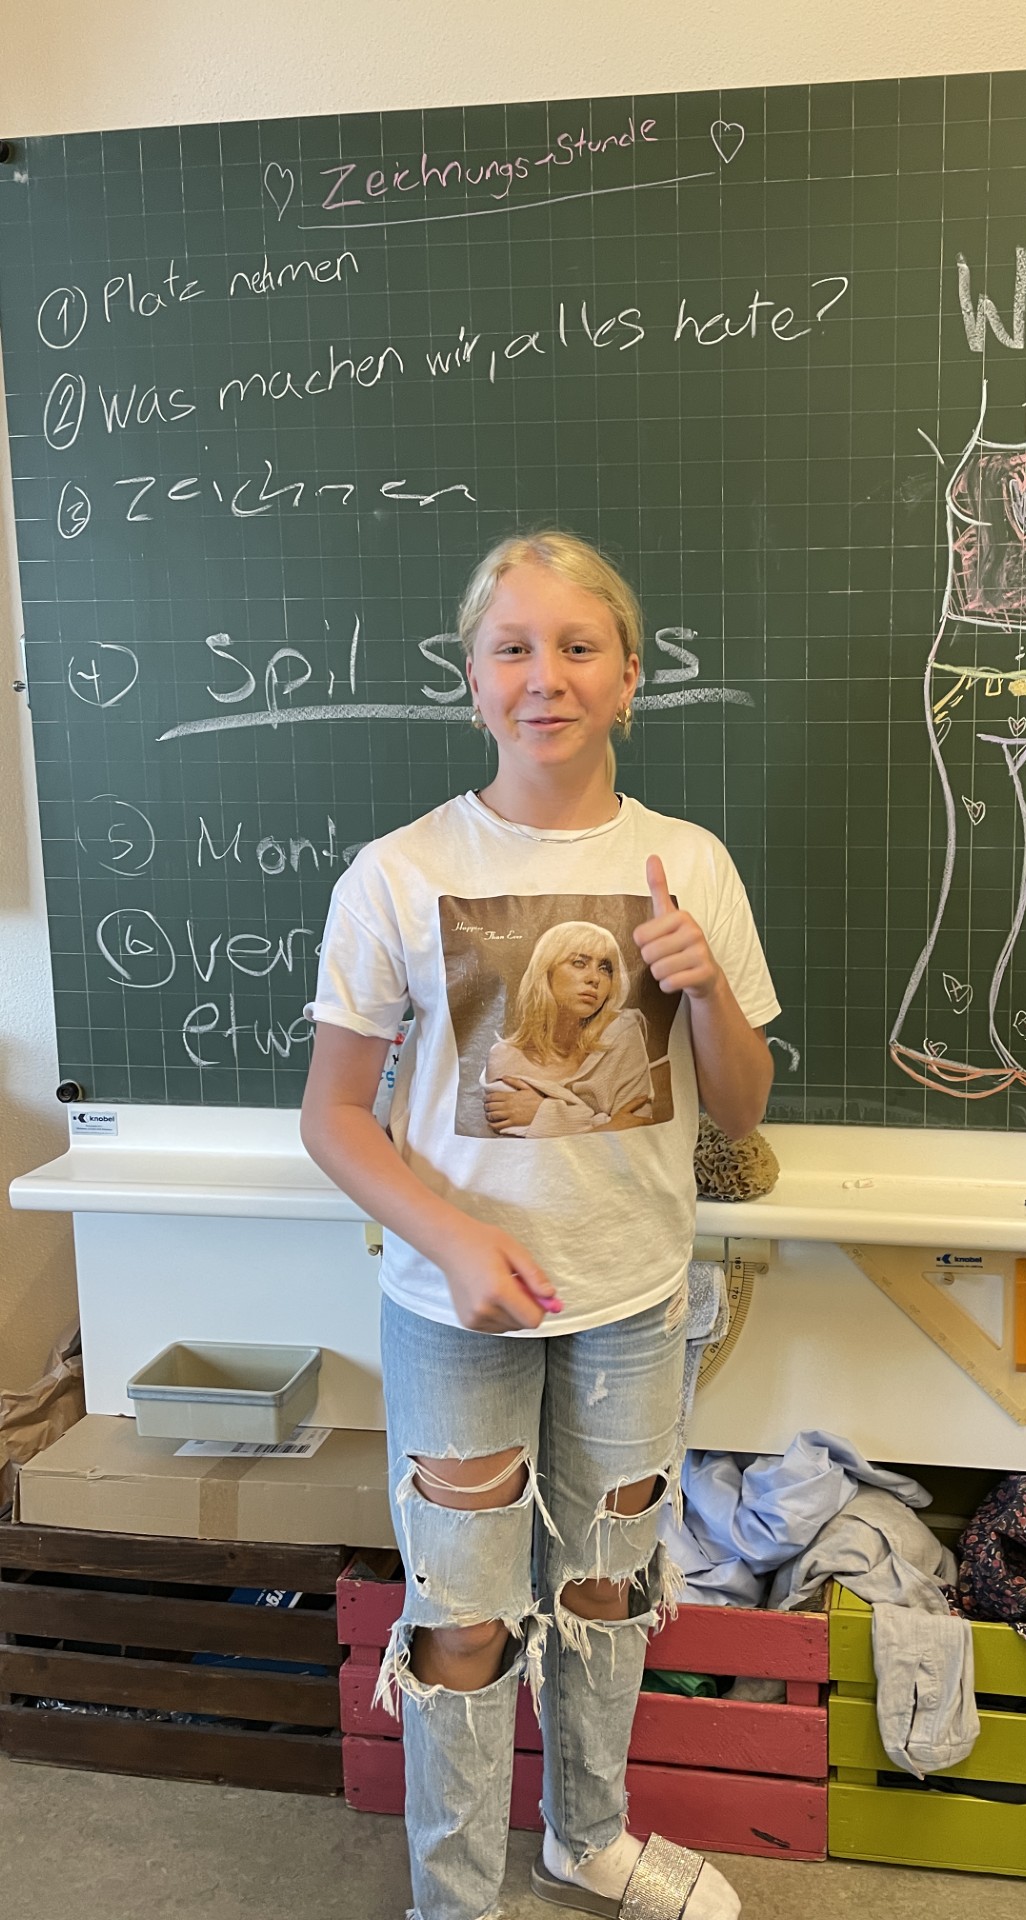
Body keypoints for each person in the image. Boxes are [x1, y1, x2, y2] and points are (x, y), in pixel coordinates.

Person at [301, 530, 778, 1920]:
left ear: (630, 677)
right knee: (460, 1616)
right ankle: (454, 1897)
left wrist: (704, 991)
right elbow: (333, 1117)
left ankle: (589, 1836)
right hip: (456, 1311)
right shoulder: (398, 874)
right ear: (472, 680)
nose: (544, 677)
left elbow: (740, 1107)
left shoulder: (689, 865)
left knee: (607, 1585)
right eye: (511, 648)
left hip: (632, 1296)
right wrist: (452, 1238)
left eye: (578, 647)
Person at [483, 919, 655, 1137]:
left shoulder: (621, 1033)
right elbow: (514, 1150)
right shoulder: (505, 1057)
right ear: (546, 971)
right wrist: (605, 1126)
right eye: (579, 963)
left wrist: (547, 1115)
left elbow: (637, 1129)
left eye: (605, 968)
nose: (595, 978)